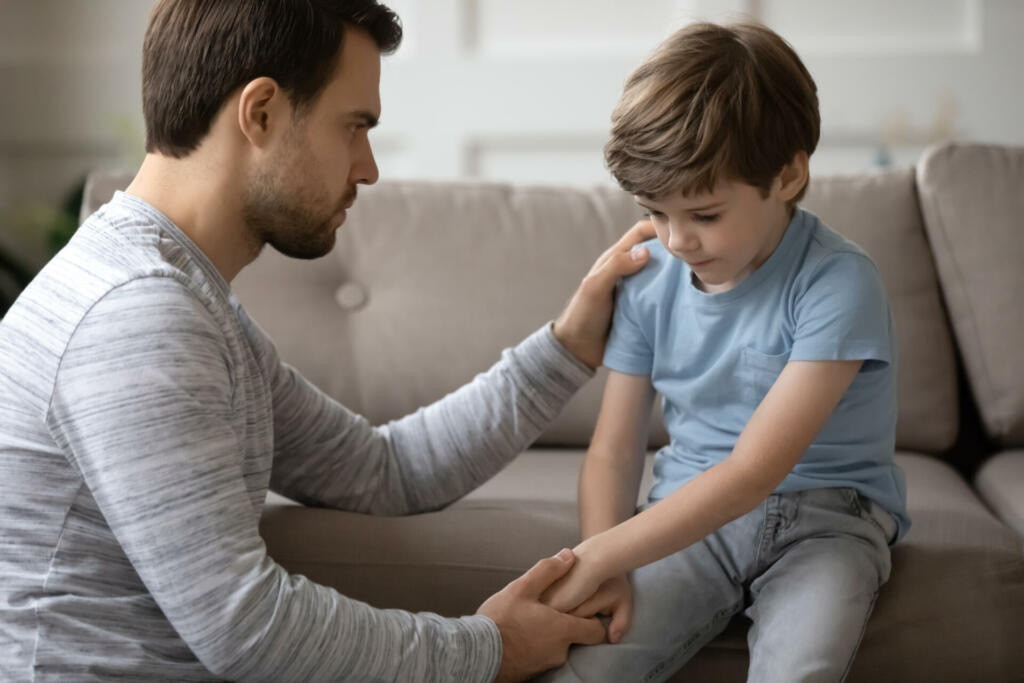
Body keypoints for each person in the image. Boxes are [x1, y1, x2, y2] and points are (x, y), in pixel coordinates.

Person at [0, 1, 656, 681]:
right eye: (354, 127)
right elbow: (246, 628)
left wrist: (569, 345)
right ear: (260, 112)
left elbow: (385, 469)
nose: (368, 167)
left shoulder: (185, 297)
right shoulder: (140, 316)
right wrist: (492, 648)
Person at [536, 22, 909, 682]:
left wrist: (599, 555)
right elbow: (615, 450)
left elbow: (753, 472)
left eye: (705, 214)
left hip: (828, 523)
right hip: (687, 521)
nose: (678, 239)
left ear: (789, 175)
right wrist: (607, 557)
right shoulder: (648, 275)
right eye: (655, 210)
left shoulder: (839, 281)